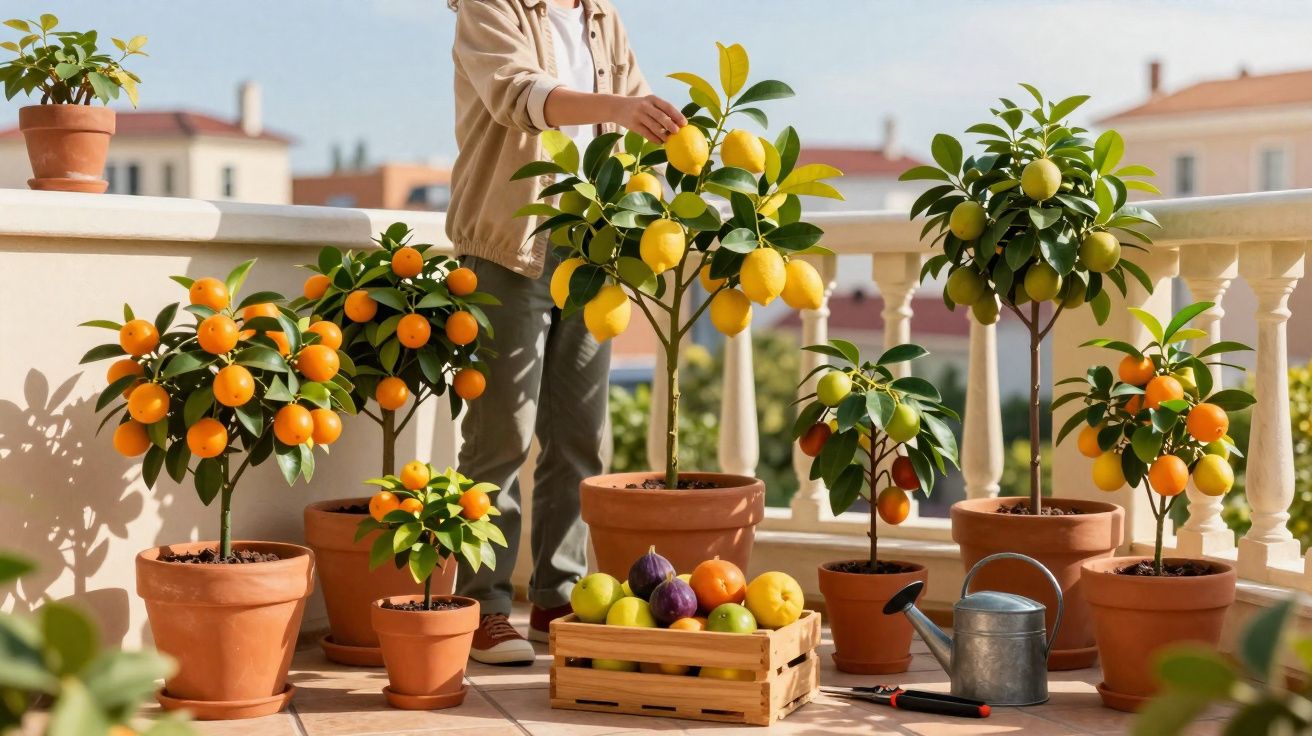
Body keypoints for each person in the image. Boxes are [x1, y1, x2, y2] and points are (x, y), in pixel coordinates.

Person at [448, 0, 686, 665]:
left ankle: (559, 596)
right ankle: (485, 607)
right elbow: (514, 95)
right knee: (501, 433)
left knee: (580, 432)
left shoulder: (599, 15)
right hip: (508, 244)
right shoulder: (487, 7)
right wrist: (618, 111)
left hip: (594, 246)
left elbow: (638, 107)